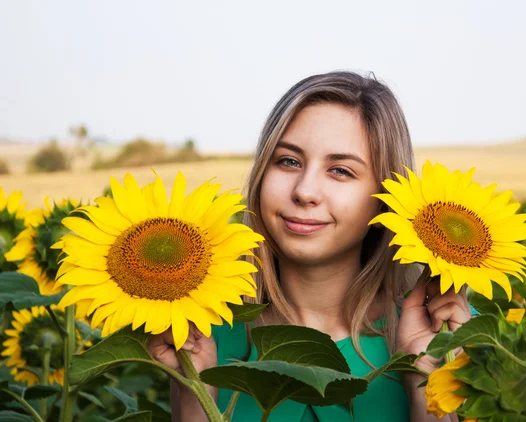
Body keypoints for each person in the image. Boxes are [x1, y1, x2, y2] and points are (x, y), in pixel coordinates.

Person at [148, 71, 473, 421]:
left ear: (386, 197)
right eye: (288, 161)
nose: (304, 191)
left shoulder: (448, 332)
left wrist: (426, 373)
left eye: (340, 171)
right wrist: (196, 393)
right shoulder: (202, 332)